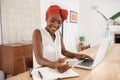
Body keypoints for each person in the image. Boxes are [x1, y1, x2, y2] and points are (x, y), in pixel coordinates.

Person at [32, 5, 93, 73]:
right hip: (42, 71)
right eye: (52, 20)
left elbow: (63, 51)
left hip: (57, 69)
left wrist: (78, 55)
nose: (55, 25)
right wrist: (55, 65)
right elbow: (39, 59)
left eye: (59, 22)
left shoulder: (58, 33)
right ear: (46, 19)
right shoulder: (38, 33)